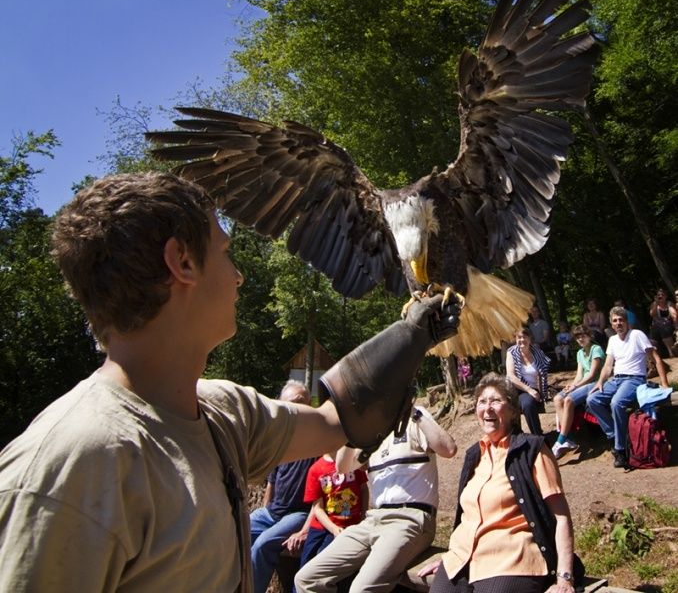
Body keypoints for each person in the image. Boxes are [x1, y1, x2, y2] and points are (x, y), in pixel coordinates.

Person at [0, 172, 459, 591]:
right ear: (182, 262)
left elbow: (336, 424)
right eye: (225, 251)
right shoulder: (67, 468)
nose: (238, 274)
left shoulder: (222, 412)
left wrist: (410, 337)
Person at [418, 373, 579, 593]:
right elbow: (469, 516)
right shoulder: (475, 454)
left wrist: (565, 578)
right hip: (463, 560)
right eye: (482, 402)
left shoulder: (532, 450)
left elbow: (561, 516)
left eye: (496, 401)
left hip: (510, 559)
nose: (488, 408)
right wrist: (452, 558)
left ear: (513, 411)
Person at [294, 405, 457, 593]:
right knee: (307, 579)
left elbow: (449, 449)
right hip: (373, 520)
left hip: (411, 519)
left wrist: (412, 411)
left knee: (361, 589)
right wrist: (356, 431)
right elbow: (343, 467)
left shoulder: (415, 417)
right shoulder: (370, 433)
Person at [249, 380, 317, 593]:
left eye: (303, 402)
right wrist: (265, 509)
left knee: (262, 545)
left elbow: (322, 488)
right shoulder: (280, 440)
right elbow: (272, 482)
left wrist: (306, 528)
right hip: (271, 513)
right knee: (232, 531)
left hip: (298, 514)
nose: (298, 408)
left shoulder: (316, 439)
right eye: (293, 402)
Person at [587, 306, 669, 468]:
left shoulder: (637, 335)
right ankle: (615, 435)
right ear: (611, 324)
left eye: (621, 320)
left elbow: (656, 358)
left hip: (635, 379)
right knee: (592, 399)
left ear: (627, 322)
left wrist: (665, 385)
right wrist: (600, 382)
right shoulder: (612, 340)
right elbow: (608, 365)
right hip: (616, 379)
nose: (618, 324)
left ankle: (620, 450)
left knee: (616, 403)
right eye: (615, 321)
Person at [295, 447, 368, 582]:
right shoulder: (316, 469)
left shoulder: (354, 464)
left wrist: (363, 517)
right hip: (322, 527)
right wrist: (333, 528)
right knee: (306, 564)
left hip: (348, 526)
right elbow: (317, 507)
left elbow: (364, 489)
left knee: (323, 565)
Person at [551, 325, 605, 459]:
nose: (580, 339)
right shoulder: (580, 353)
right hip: (582, 384)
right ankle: (568, 438)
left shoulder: (596, 349)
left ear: (589, 336)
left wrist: (576, 387)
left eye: (583, 336)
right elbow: (579, 374)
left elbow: (592, 374)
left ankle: (561, 439)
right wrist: (572, 385)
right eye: (578, 337)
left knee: (569, 400)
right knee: (558, 398)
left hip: (595, 383)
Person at [505, 328, 549, 435]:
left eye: (524, 337)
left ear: (530, 339)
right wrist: (529, 390)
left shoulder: (538, 353)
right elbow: (510, 376)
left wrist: (542, 391)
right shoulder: (511, 352)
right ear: (515, 339)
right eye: (519, 337)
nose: (522, 340)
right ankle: (538, 436)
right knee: (527, 404)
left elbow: (543, 373)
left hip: (534, 389)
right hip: (518, 389)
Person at [648, 288, 677, 358]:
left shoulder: (669, 304)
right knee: (658, 328)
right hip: (657, 327)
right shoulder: (655, 304)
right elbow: (652, 314)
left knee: (663, 327)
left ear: (666, 296)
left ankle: (672, 353)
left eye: (662, 295)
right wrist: (656, 303)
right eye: (659, 295)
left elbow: (674, 315)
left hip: (668, 326)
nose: (660, 296)